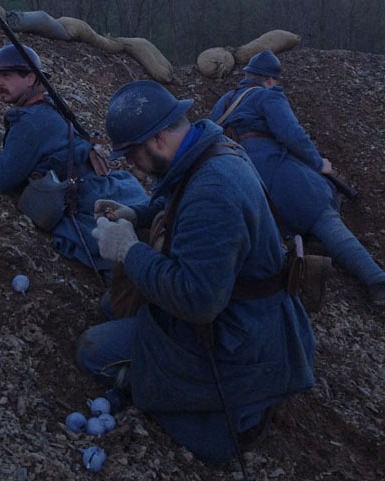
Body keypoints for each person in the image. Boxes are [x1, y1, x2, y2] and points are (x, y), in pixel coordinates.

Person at [76, 80, 316, 463]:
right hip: (248, 315)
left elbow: (198, 300)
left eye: (132, 154)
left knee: (93, 350)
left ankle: (222, 411)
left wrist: (130, 250)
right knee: (112, 305)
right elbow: (176, 202)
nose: (131, 165)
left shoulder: (213, 189)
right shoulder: (208, 150)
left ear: (156, 140)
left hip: (238, 338)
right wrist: (135, 214)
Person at [210, 50, 385, 306]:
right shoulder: (268, 96)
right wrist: (318, 164)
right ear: (270, 79)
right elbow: (293, 136)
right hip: (274, 176)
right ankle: (377, 282)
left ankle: (305, 244)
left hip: (240, 180)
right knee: (323, 211)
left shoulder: (223, 103)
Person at [0, 44, 149, 278]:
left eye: (6, 75)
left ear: (31, 77)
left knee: (122, 259)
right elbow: (42, 147)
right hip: (111, 188)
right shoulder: (47, 105)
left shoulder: (30, 121)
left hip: (86, 200)